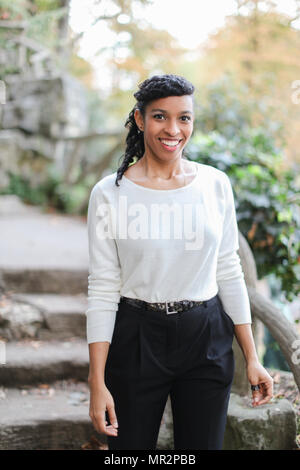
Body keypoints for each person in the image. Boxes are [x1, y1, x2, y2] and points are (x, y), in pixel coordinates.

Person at [86, 74, 273, 450]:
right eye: (160, 117)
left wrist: (252, 357)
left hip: (206, 337)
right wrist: (96, 379)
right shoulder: (109, 194)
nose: (173, 129)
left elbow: (228, 270)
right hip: (137, 337)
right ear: (140, 119)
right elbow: (103, 287)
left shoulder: (215, 184)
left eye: (184, 118)